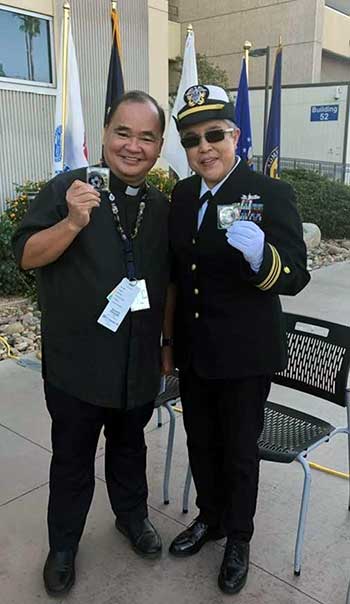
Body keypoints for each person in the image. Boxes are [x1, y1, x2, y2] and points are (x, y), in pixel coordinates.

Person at [12, 91, 170, 597]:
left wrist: (166, 348)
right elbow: (27, 257)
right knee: (73, 459)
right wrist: (72, 221)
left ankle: (132, 518)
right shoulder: (68, 188)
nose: (133, 146)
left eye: (147, 137)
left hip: (136, 363)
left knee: (130, 449)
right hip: (77, 365)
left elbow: (165, 283)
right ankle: (63, 547)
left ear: (159, 146)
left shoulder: (162, 206)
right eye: (123, 132)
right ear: (104, 134)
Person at [164, 84, 310, 595]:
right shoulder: (182, 196)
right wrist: (168, 344)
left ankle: (239, 539)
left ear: (236, 136)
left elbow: (295, 273)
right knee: (201, 442)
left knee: (240, 451)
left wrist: (261, 257)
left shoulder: (269, 193)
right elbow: (179, 275)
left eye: (214, 135)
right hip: (196, 350)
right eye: (191, 140)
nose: (203, 147)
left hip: (246, 354)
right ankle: (211, 519)